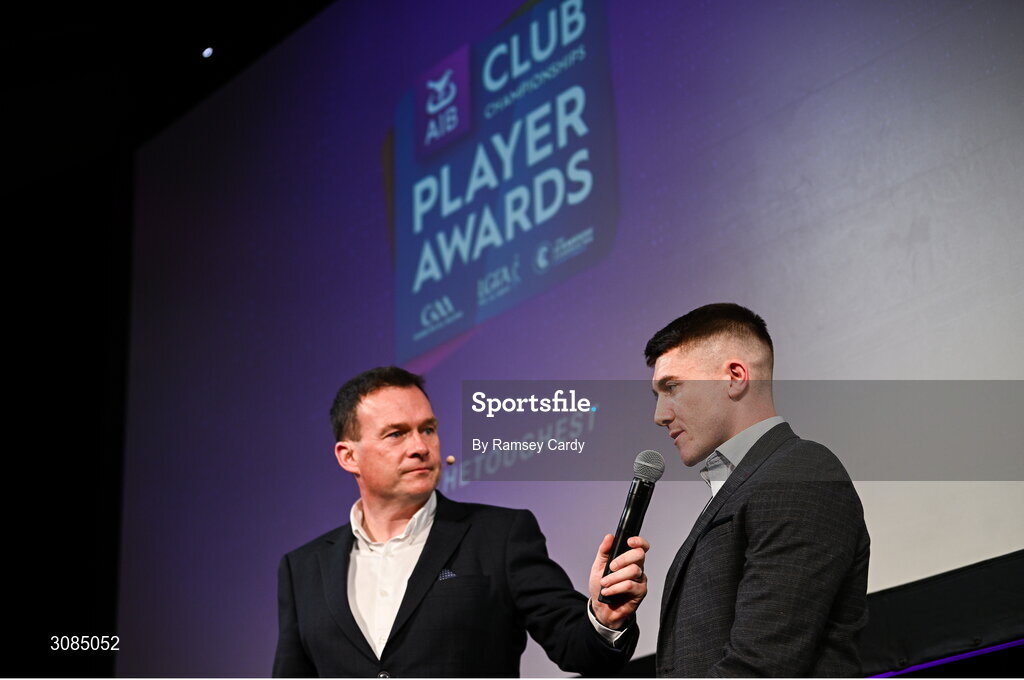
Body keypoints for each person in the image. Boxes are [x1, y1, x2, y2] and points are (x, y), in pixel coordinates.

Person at [273, 366, 650, 677]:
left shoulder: (500, 535)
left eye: (428, 429)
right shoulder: (302, 568)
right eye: (396, 434)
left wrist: (604, 618)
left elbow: (579, 649)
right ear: (348, 456)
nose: (420, 446)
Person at [646, 303, 869, 677]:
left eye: (672, 387)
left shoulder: (798, 474)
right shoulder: (753, 481)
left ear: (734, 376)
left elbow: (761, 667)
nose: (660, 415)